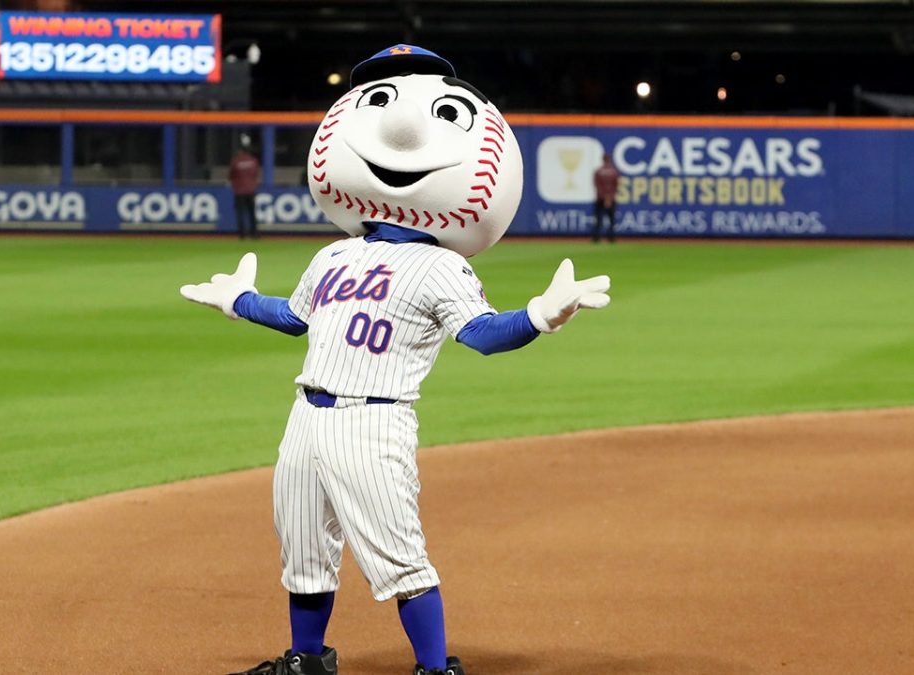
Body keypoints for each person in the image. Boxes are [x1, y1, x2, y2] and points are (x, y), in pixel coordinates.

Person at [180, 45, 610, 675]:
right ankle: (306, 660)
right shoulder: (333, 255)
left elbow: (484, 334)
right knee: (302, 549)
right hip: (306, 415)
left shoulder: (442, 266)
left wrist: (540, 317)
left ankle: (435, 669)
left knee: (399, 558)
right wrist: (240, 301)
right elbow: (295, 317)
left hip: (373, 421)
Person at [228, 143, 261, 239]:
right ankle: (254, 233)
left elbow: (231, 175)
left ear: (241, 151)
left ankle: (242, 234)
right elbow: (256, 174)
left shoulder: (236, 161)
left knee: (240, 213)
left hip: (239, 191)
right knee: (252, 213)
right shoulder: (253, 161)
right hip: (251, 190)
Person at [590, 152, 619, 242]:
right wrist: (609, 198)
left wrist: (604, 197)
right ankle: (612, 238)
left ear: (602, 159)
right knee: (612, 220)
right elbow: (615, 186)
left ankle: (596, 238)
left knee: (598, 219)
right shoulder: (614, 171)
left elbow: (597, 186)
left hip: (600, 198)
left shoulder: (598, 171)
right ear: (609, 159)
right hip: (611, 199)